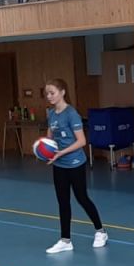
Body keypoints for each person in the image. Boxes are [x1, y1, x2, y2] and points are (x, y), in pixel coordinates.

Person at [42, 79, 108, 254]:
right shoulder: (51, 114)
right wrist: (45, 150)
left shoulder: (71, 114)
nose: (49, 96)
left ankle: (101, 231)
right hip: (59, 165)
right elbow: (50, 137)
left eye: (52, 93)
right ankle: (65, 240)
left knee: (81, 197)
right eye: (47, 93)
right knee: (63, 201)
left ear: (62, 92)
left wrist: (61, 153)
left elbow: (81, 141)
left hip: (75, 163)